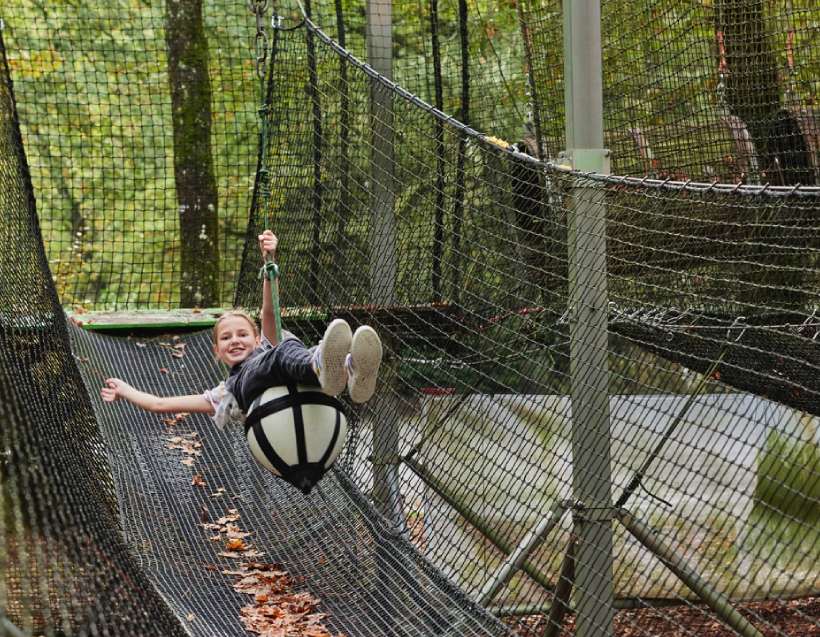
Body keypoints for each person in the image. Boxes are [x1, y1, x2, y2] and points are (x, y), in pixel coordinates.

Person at [101, 230, 383, 428]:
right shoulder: (225, 394)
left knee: (284, 344)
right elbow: (160, 404)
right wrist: (125, 390)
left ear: (256, 337)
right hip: (268, 413)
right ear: (217, 351)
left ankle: (351, 371)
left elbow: (269, 311)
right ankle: (322, 364)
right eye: (226, 338)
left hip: (307, 397)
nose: (234, 340)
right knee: (281, 351)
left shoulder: (266, 344)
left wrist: (269, 263)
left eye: (242, 334)